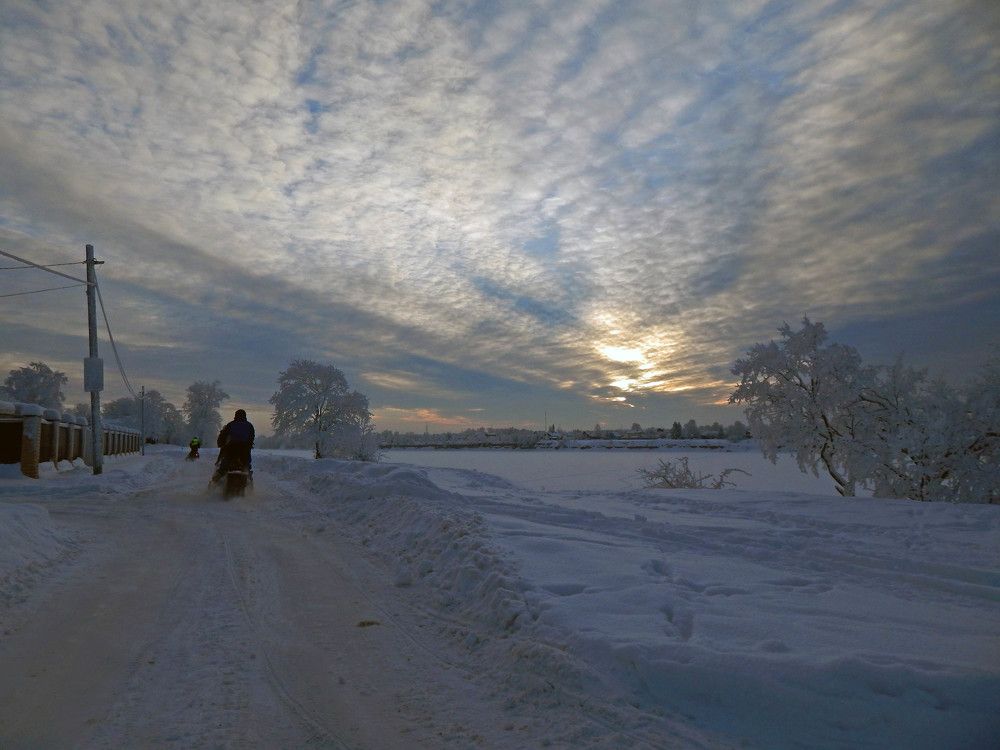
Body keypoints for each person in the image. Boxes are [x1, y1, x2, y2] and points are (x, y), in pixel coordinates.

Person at [212, 409, 255, 484]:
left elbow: (223, 436)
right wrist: (249, 445)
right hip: (244, 451)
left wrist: (221, 444)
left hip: (231, 449)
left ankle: (212, 485)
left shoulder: (231, 424)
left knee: (223, 467)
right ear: (245, 416)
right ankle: (250, 484)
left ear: (235, 415)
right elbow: (251, 438)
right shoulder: (249, 425)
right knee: (247, 467)